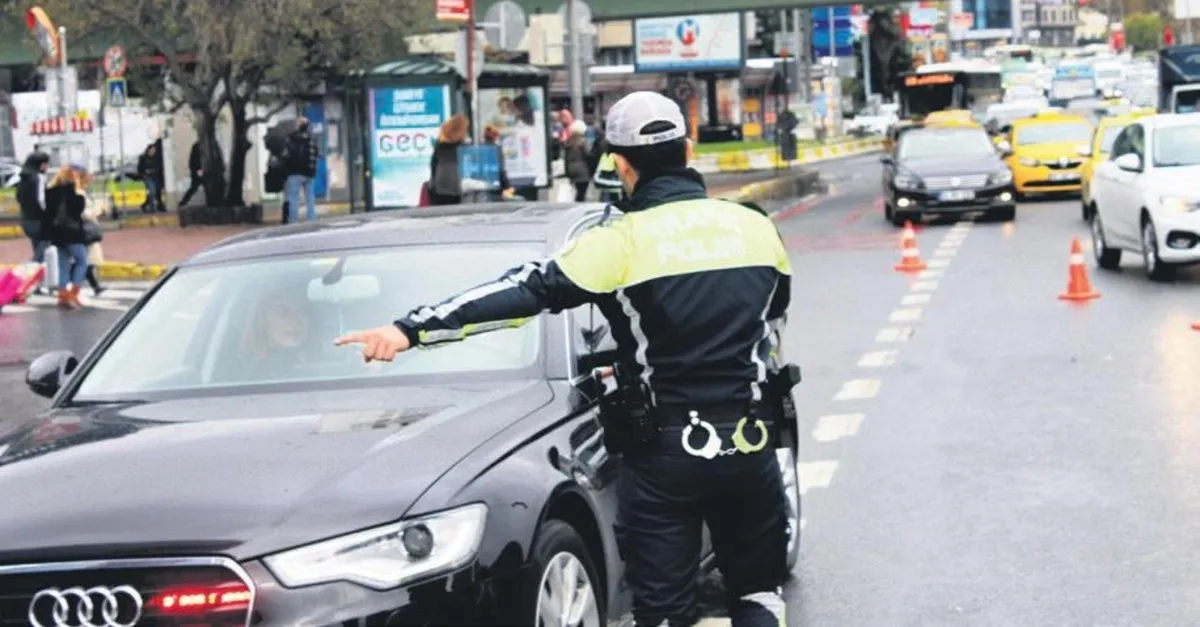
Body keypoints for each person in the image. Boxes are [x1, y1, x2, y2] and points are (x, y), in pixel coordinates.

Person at [333, 91, 792, 627]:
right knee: (759, 595)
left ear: (620, 163)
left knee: (665, 611)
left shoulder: (618, 241)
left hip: (667, 456)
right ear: (687, 150)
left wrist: (410, 330)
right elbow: (772, 317)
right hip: (750, 444)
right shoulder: (756, 228)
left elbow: (522, 294)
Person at [44, 164, 91, 310]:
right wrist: (78, 190)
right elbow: (79, 210)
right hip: (73, 234)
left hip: (56, 234)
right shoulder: (74, 193)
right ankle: (73, 294)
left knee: (63, 265)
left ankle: (62, 295)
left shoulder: (50, 192)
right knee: (82, 262)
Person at [285, 117, 320, 222]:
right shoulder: (311, 139)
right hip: (309, 173)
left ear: (299, 126)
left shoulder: (291, 138)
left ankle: (293, 221)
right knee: (310, 198)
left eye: (297, 123)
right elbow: (316, 153)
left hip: (294, 173)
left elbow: (287, 154)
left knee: (294, 198)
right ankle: (312, 219)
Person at [428, 114, 467, 206]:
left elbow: (433, 169)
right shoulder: (462, 149)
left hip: (439, 191)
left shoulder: (439, 148)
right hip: (458, 191)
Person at [483, 125, 516, 201]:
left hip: (483, 185)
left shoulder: (479, 148)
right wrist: (507, 185)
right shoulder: (497, 149)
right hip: (495, 184)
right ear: (495, 136)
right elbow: (501, 169)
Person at [563, 120, 592, 202]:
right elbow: (588, 156)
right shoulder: (583, 143)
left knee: (579, 192)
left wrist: (567, 173)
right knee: (582, 193)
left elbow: (566, 160)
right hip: (583, 171)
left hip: (572, 171)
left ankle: (578, 203)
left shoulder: (568, 143)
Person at [178, 141, 206, 208]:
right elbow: (193, 160)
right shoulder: (197, 146)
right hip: (198, 171)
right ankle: (183, 202)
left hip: (204, 170)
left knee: (207, 187)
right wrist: (197, 170)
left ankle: (183, 202)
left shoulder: (206, 145)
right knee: (193, 187)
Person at [137, 143, 164, 213]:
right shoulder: (143, 158)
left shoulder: (156, 158)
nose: (153, 151)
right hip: (147, 177)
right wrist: (145, 172)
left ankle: (144, 205)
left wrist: (153, 170)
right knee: (152, 190)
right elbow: (140, 169)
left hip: (155, 176)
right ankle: (152, 208)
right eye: (151, 150)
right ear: (148, 150)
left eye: (154, 150)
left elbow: (158, 168)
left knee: (157, 191)